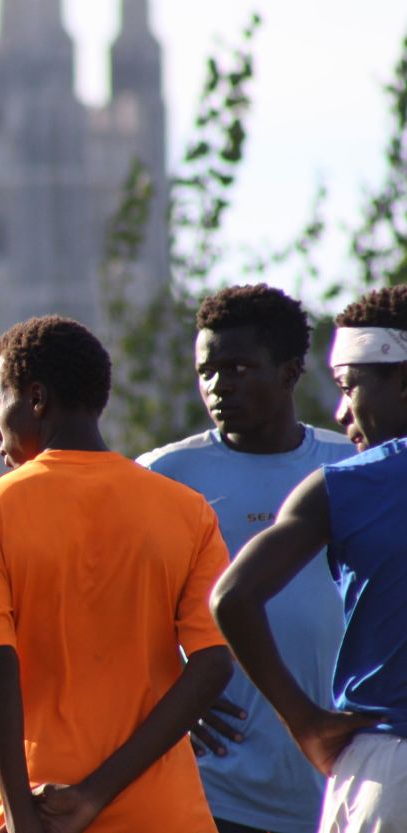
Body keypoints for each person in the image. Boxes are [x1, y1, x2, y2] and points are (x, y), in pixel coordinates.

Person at [0, 315, 234, 833]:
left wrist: (21, 820)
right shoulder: (187, 511)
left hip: (32, 806)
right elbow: (213, 665)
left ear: (36, 399)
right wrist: (94, 794)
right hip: (162, 814)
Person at [139, 285, 353, 833]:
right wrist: (162, 689)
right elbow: (107, 603)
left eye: (237, 367)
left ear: (288, 371)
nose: (217, 385)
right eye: (207, 370)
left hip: (344, 777)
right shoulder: (163, 477)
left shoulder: (351, 463)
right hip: (216, 791)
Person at [212, 285, 407, 833]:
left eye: (350, 386)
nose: (342, 409)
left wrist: (305, 723)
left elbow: (233, 596)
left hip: (387, 770)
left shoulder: (343, 485)